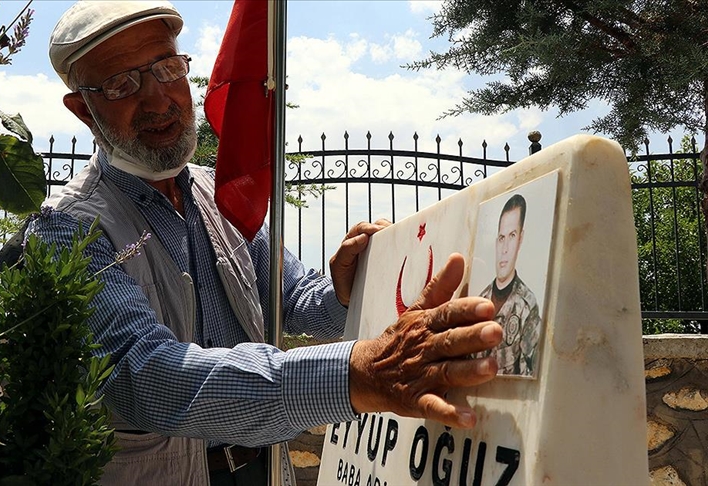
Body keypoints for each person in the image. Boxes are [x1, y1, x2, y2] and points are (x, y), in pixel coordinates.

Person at [29, 1, 504, 484]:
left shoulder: (221, 192)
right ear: (83, 110)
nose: (157, 99)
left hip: (261, 467)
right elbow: (147, 375)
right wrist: (356, 375)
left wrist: (343, 289)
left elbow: (294, 299)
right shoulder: (68, 228)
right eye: (120, 84)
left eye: (167, 69)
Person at [478, 194, 541, 376]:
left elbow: (530, 377)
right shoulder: (479, 300)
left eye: (512, 236)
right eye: (501, 237)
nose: (504, 248)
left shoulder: (527, 307)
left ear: (521, 239)